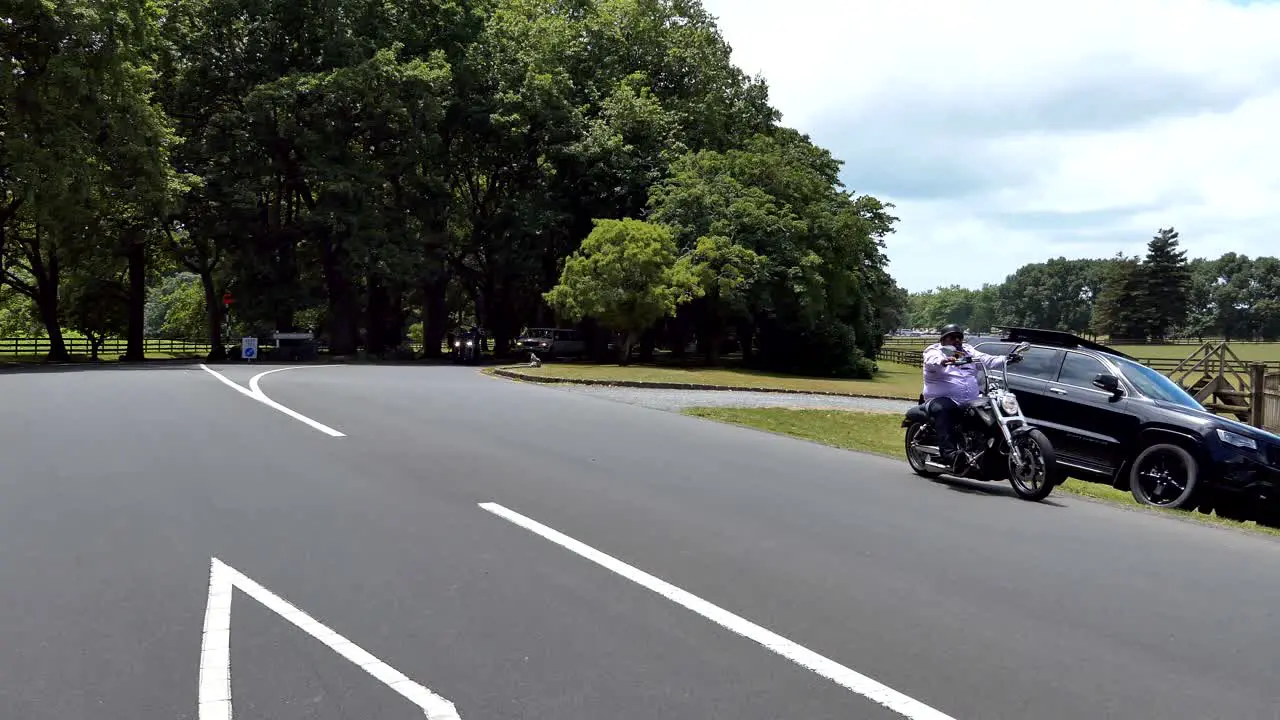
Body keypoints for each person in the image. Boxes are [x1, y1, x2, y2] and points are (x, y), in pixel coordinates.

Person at [921, 324, 1014, 468]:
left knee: (990, 409)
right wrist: (943, 361)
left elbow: (986, 359)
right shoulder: (934, 351)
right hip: (942, 400)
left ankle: (988, 451)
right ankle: (950, 455)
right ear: (943, 339)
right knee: (943, 409)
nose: (957, 340)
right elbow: (931, 360)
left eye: (959, 337)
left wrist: (1006, 359)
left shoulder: (967, 351)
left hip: (970, 401)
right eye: (952, 337)